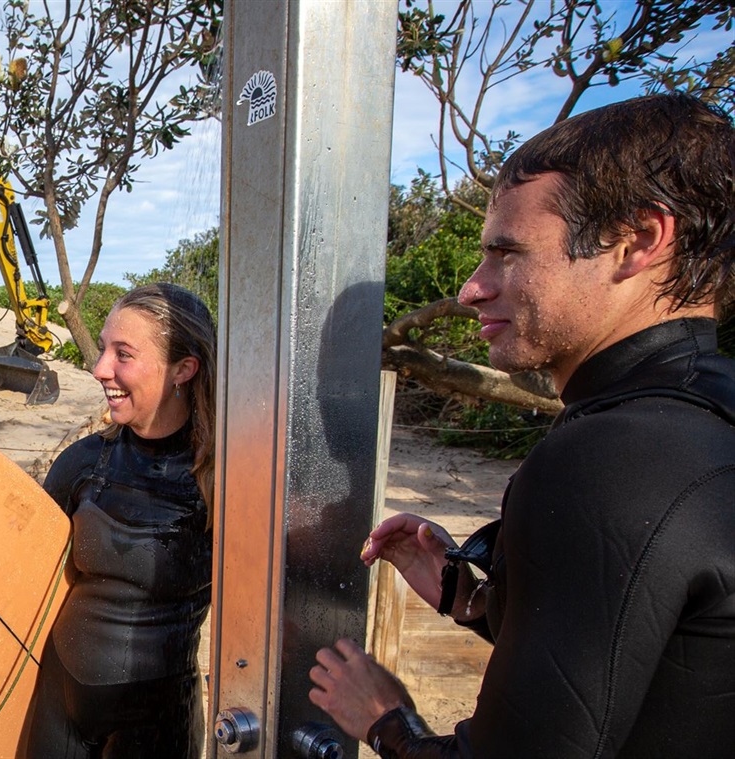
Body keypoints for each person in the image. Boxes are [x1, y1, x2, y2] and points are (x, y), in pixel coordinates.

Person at [309, 93, 735, 757]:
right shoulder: (705, 417)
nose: (472, 288)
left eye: (506, 253)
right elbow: (657, 671)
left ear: (640, 240)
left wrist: (389, 721)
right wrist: (475, 600)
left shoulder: (611, 460)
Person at [0, 283, 216, 758]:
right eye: (104, 347)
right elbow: (19, 589)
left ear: (183, 369)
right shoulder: (84, 463)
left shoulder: (225, 481)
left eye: (123, 354)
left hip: (160, 726)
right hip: (61, 708)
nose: (99, 368)